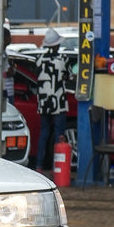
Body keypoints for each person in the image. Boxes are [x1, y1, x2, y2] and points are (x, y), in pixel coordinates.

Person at [34, 27, 73, 172]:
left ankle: (39, 165)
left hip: (44, 102)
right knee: (58, 134)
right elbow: (69, 76)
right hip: (58, 102)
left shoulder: (39, 60)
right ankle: (57, 166)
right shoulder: (63, 59)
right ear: (57, 45)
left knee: (44, 134)